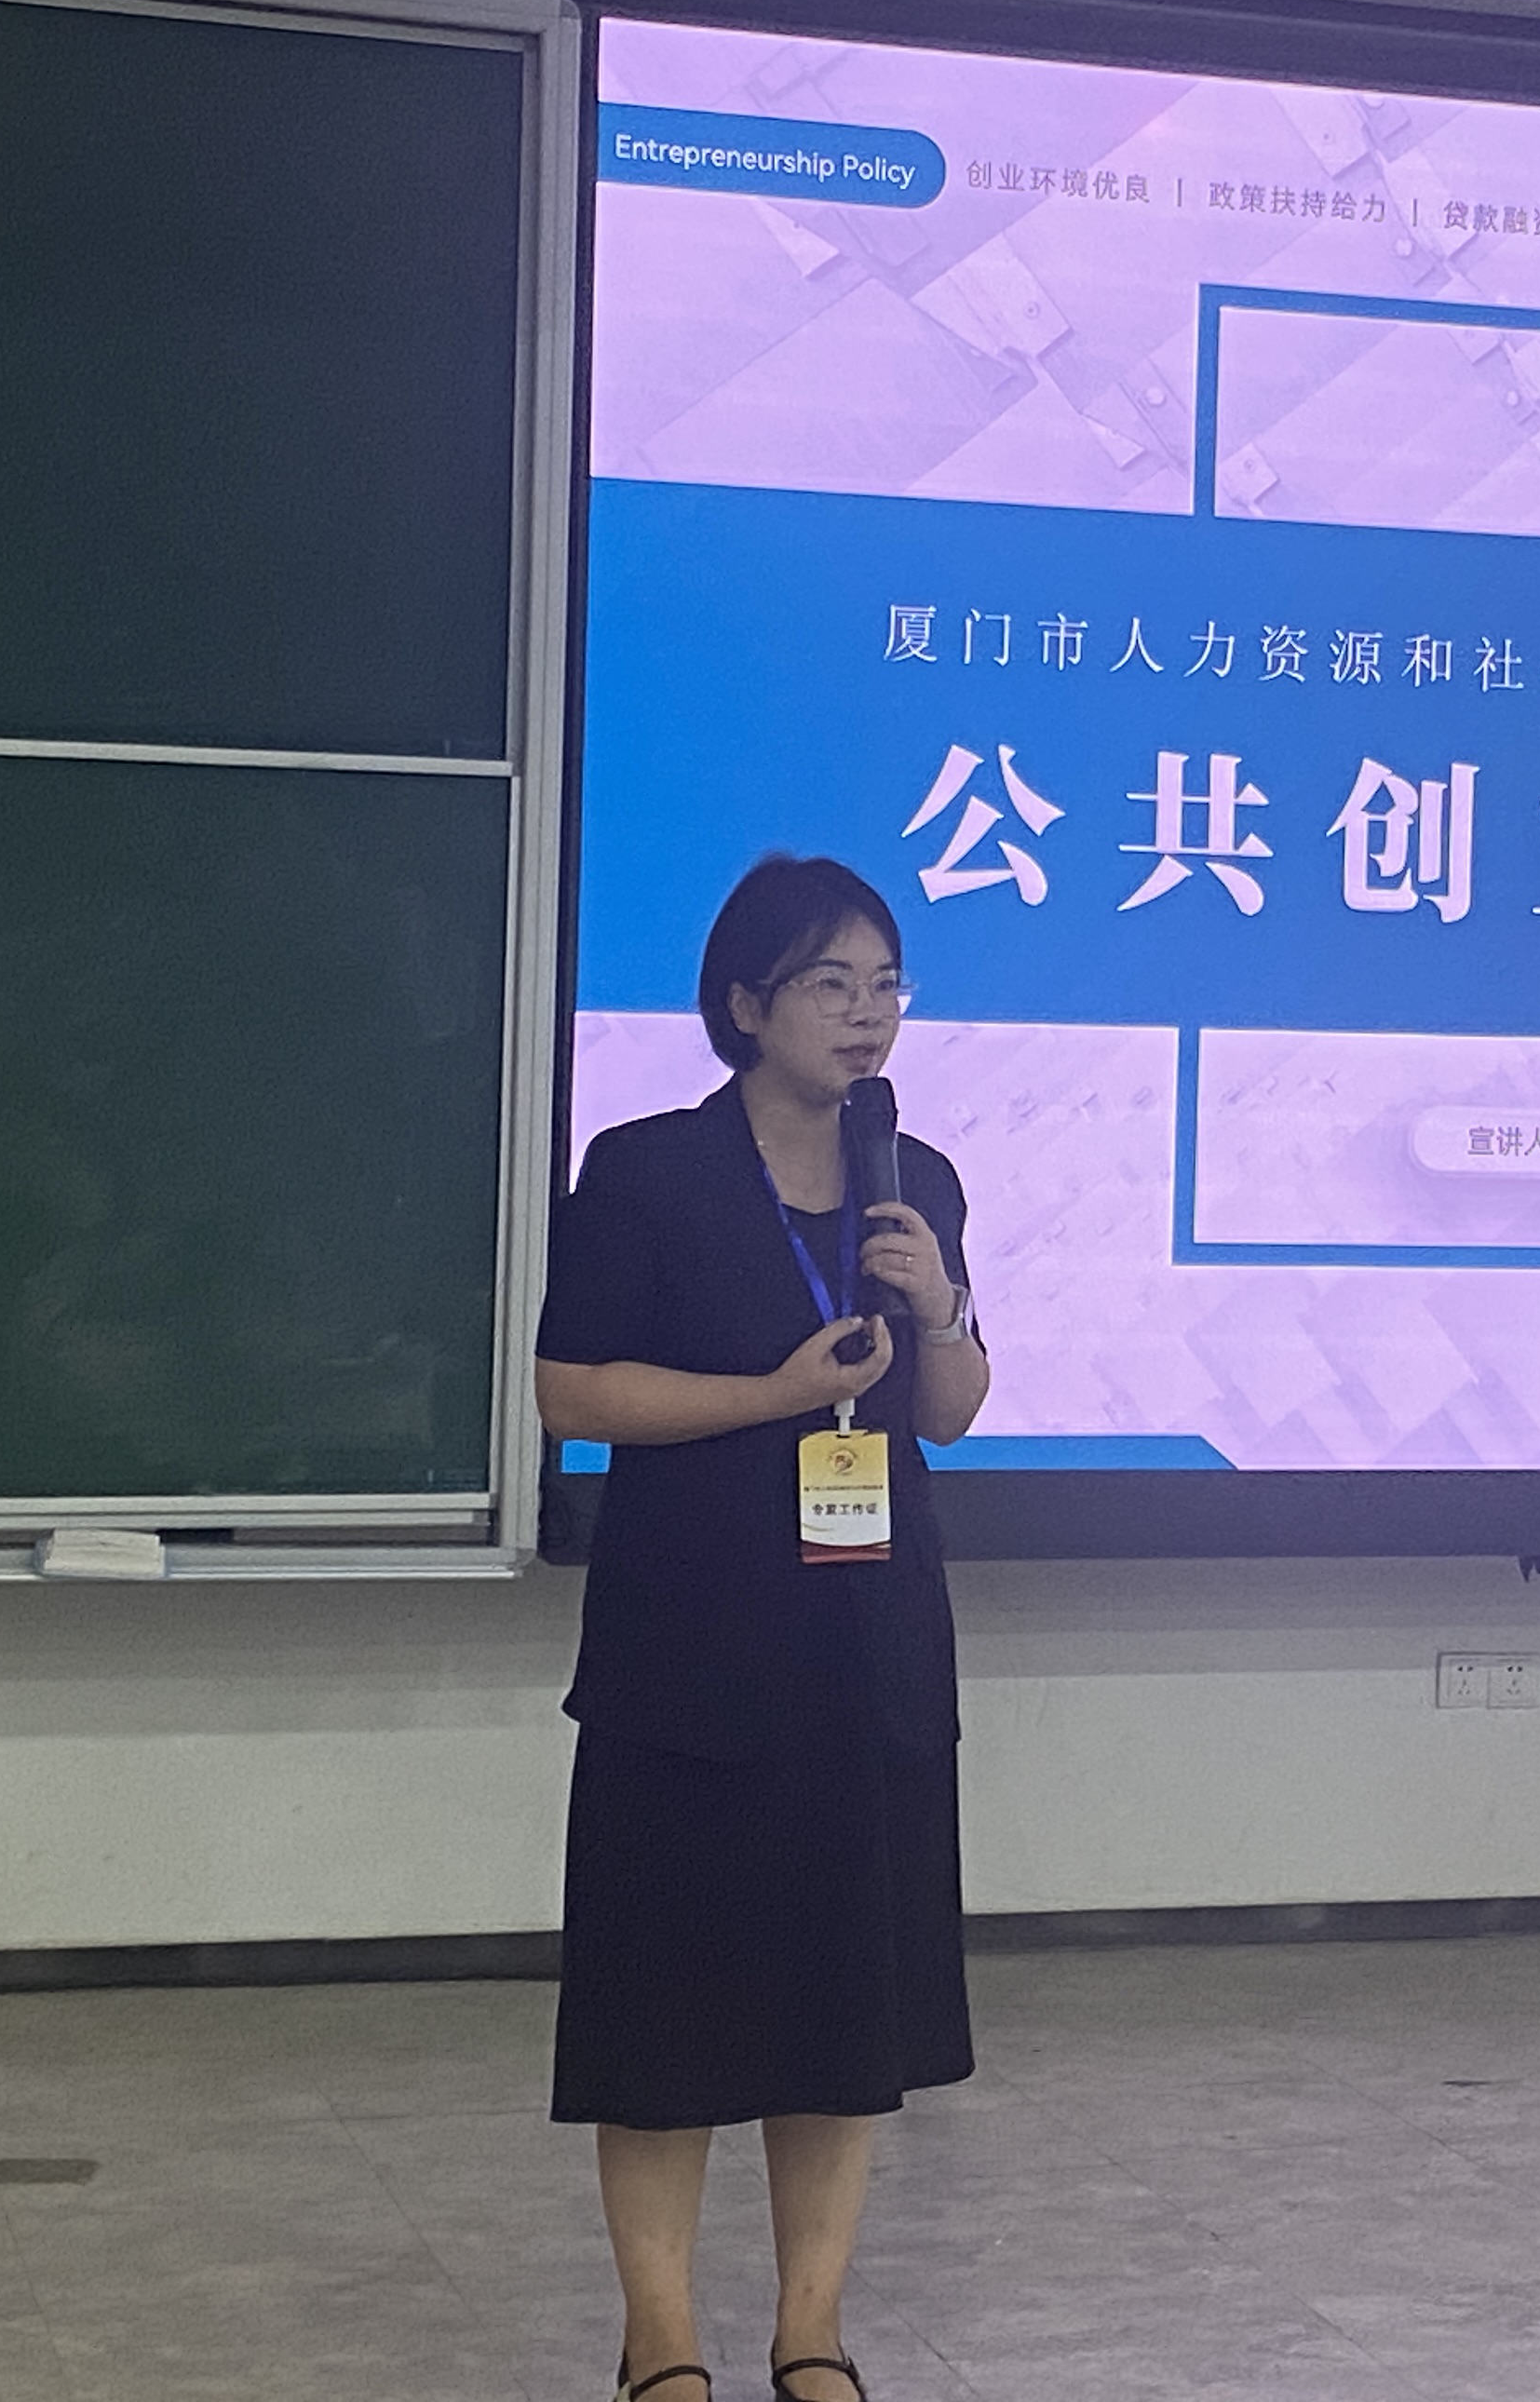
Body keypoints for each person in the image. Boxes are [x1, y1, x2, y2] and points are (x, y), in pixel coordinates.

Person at [534, 854, 990, 2402]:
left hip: (868, 1648)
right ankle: (661, 2339)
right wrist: (773, 1396)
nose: (868, 1014)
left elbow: (951, 1412)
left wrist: (939, 1309)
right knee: (666, 2012)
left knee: (842, 2012)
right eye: (830, 985)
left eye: (887, 985)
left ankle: (812, 2331)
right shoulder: (648, 1171)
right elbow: (573, 1391)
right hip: (691, 1649)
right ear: (745, 1004)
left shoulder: (915, 1181)